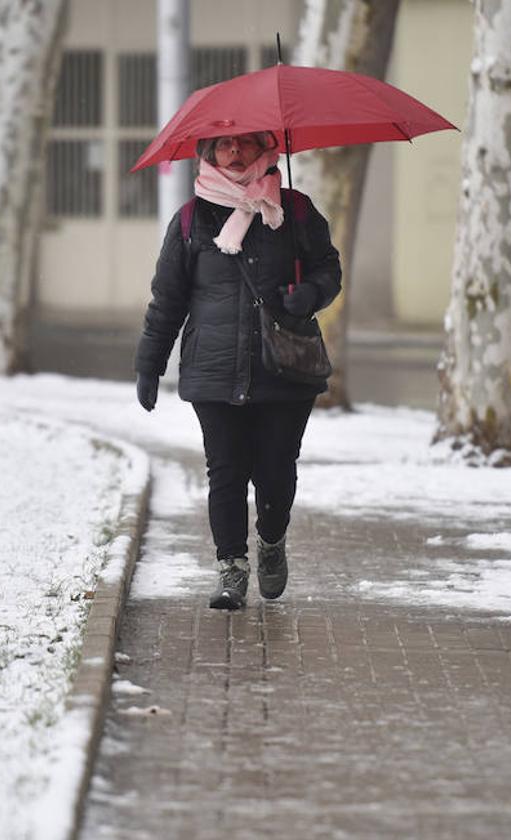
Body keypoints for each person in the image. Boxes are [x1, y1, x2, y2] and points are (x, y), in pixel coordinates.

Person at [134, 131, 342, 610]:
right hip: (215, 366)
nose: (233, 152)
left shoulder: (296, 211)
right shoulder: (190, 220)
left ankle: (271, 541)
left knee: (274, 471)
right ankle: (231, 568)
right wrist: (149, 364)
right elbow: (167, 299)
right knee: (225, 472)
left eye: (245, 143)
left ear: (264, 150)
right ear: (208, 154)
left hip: (284, 368)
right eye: (223, 145)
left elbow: (328, 269)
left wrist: (310, 293)